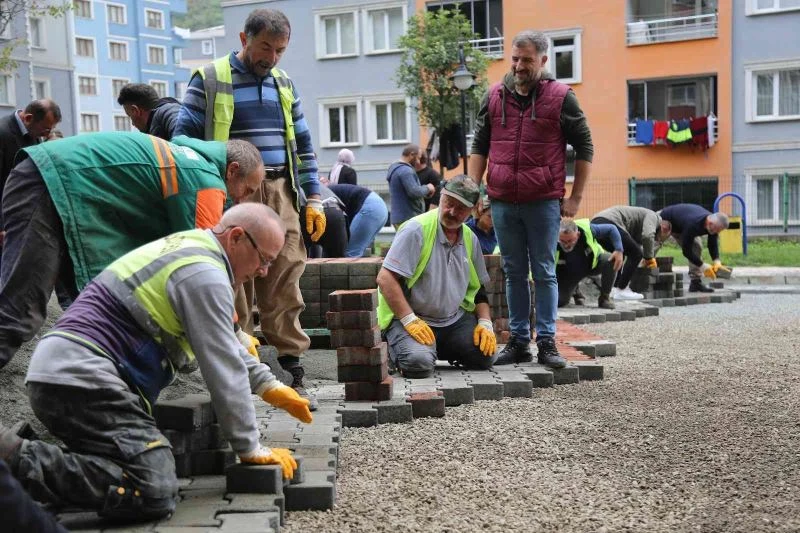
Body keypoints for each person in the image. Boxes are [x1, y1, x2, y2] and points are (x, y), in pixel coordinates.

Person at [0, 204, 312, 521]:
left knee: (123, 471)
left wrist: (267, 384)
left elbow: (225, 343)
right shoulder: (204, 275)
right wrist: (250, 448)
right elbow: (224, 371)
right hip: (82, 382)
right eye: (264, 259)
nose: (264, 271)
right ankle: (10, 456)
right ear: (236, 237)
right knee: (153, 489)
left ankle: (28, 465)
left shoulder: (193, 249)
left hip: (64, 377)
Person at [0, 132, 264, 369]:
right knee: (20, 310)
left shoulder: (189, 162)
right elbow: (204, 265)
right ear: (232, 170)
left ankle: (74, 387)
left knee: (92, 310)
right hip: (49, 182)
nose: (241, 199)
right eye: (247, 190)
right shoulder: (203, 180)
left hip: (67, 190)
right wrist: (233, 330)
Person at [175, 8, 326, 409]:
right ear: (244, 39)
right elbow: (181, 139)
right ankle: (241, 367)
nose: (271, 58)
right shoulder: (210, 79)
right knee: (234, 277)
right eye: (265, 47)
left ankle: (291, 367)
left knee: (286, 271)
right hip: (234, 190)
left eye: (280, 50)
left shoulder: (284, 83)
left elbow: (303, 144)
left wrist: (313, 197)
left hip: (280, 189)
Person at [468, 30, 594, 369]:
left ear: (543, 60)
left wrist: (576, 197)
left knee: (544, 271)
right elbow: (480, 144)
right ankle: (520, 342)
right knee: (512, 271)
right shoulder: (494, 95)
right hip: (502, 200)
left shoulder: (561, 97)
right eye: (515, 59)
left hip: (543, 200)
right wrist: (474, 189)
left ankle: (547, 341)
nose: (519, 66)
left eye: (526, 60)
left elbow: (585, 146)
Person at [376, 175, 497, 378]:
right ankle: (398, 348)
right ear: (441, 197)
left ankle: (433, 348)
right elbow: (385, 279)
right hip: (413, 318)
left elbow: (478, 291)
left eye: (461, 208)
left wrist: (485, 323)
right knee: (418, 364)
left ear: (473, 210)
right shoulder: (416, 230)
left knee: (485, 357)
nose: (452, 212)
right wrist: (409, 320)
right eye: (448, 202)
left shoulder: (470, 238)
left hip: (453, 321)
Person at [591, 205, 672, 300]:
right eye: (662, 238)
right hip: (609, 222)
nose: (658, 240)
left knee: (620, 254)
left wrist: (645, 258)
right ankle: (622, 289)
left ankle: (614, 288)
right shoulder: (654, 217)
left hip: (596, 223)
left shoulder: (639, 224)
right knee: (636, 254)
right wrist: (649, 258)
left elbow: (635, 243)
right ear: (664, 228)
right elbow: (647, 236)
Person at [657, 203, 731, 293]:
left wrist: (716, 261)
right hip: (664, 218)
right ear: (710, 223)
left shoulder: (713, 224)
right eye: (717, 230)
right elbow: (686, 251)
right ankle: (643, 272)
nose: (717, 232)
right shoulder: (693, 224)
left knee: (696, 247)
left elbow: (712, 244)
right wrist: (702, 266)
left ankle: (695, 283)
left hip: (682, 225)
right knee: (653, 245)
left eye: (719, 231)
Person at [556, 219, 623, 309]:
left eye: (570, 241)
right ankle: (575, 291)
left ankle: (604, 298)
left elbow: (611, 229)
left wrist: (619, 249)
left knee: (611, 260)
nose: (566, 245)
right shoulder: (550, 240)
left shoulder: (588, 230)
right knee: (558, 301)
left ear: (578, 235)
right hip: (568, 274)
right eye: (563, 241)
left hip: (591, 265)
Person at [329, 183, 389, 257]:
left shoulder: (322, 195)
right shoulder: (325, 191)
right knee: (358, 251)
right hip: (379, 207)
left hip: (369, 208)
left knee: (350, 253)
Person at [388, 144, 435, 227]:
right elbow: (414, 192)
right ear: (412, 154)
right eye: (418, 158)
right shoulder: (405, 170)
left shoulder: (396, 169)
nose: (418, 162)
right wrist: (428, 188)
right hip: (407, 218)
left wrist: (425, 193)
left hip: (400, 217)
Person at [117, 83, 182, 140]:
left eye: (130, 116)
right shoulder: (154, 125)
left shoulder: (168, 111)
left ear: (135, 111)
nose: (133, 124)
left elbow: (183, 135)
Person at [301, 185, 348, 258]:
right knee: (338, 261)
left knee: (299, 261)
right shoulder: (316, 183)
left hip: (306, 212)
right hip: (334, 211)